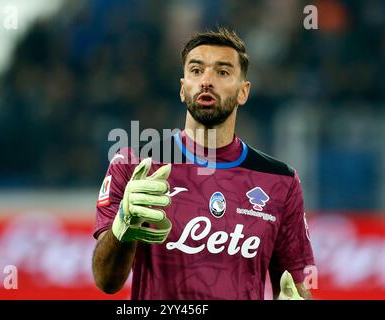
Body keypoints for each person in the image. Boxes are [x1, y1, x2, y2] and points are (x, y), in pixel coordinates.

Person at [92, 28, 315, 300]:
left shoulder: (281, 181)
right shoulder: (135, 165)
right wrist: (122, 226)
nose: (206, 81)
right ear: (183, 89)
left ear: (243, 92)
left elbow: (297, 288)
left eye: (222, 72)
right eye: (196, 71)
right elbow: (106, 282)